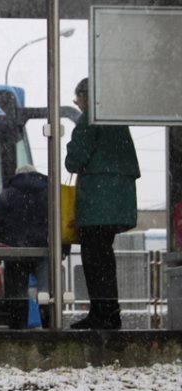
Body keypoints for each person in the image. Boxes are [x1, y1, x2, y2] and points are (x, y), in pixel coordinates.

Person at [65, 77, 140, 330]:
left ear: (86, 97)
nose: (78, 105)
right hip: (117, 201)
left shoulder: (90, 119)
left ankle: (102, 313)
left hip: (98, 201)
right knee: (104, 257)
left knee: (94, 257)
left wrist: (70, 145)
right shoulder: (116, 121)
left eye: (78, 99)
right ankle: (109, 311)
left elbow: (74, 160)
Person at [0, 164, 50, 329]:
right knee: (46, 293)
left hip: (15, 251)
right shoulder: (48, 193)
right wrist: (63, 249)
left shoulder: (7, 194)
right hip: (43, 250)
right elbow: (62, 223)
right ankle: (51, 329)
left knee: (17, 294)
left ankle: (18, 332)